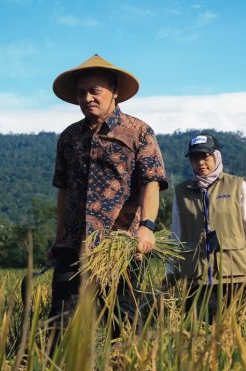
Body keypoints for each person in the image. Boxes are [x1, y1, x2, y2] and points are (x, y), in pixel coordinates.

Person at [48, 54, 168, 338]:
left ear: (114, 91)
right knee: (61, 321)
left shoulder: (138, 132)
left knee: (125, 320)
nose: (87, 98)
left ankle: (126, 363)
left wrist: (146, 227)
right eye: (81, 93)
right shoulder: (69, 137)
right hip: (74, 244)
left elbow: (151, 183)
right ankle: (58, 365)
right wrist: (59, 237)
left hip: (120, 243)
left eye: (94, 91)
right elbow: (64, 189)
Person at [170, 134, 246, 319]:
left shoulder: (236, 186)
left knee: (236, 326)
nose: (200, 162)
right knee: (200, 328)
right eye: (195, 158)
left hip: (234, 272)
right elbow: (176, 234)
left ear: (216, 156)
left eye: (205, 156)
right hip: (196, 276)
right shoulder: (181, 192)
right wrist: (171, 269)